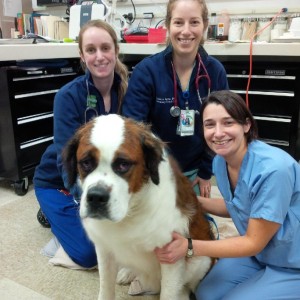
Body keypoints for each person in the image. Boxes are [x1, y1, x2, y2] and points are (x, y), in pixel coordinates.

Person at [154, 90, 300, 299]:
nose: (218, 133)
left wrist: (189, 247)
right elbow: (237, 206)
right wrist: (186, 199)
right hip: (260, 254)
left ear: (246, 125)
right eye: (210, 124)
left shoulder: (273, 170)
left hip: (291, 262)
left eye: (228, 122)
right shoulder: (220, 162)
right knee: (206, 293)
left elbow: (252, 242)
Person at [33, 19, 128, 269]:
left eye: (106, 48)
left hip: (106, 181)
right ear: (82, 56)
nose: (100, 57)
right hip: (58, 182)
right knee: (89, 254)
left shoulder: (129, 92)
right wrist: (87, 200)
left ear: (116, 50)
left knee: (131, 238)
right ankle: (53, 213)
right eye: (91, 50)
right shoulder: (68, 96)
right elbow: (66, 161)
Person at [122, 0, 229, 197]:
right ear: (168, 25)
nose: (186, 31)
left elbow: (221, 130)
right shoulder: (147, 71)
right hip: (154, 171)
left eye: (194, 22)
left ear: (204, 25)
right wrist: (150, 172)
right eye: (179, 22)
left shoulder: (215, 72)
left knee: (194, 225)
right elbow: (132, 129)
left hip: (197, 172)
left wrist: (206, 172)